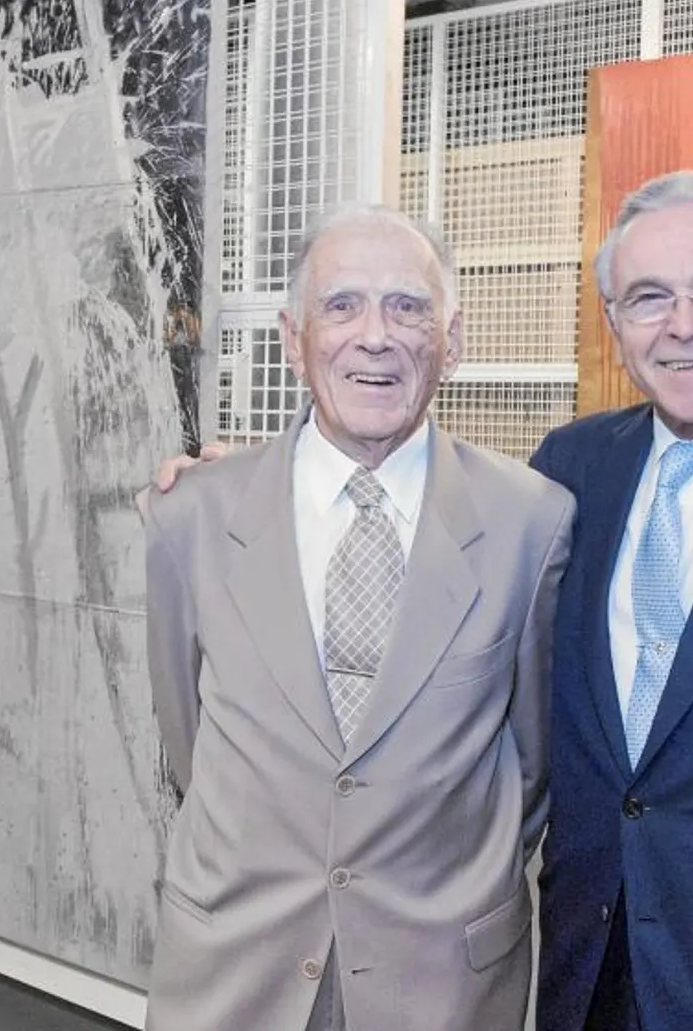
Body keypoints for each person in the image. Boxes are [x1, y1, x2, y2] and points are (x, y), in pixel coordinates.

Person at [154, 170, 693, 1030]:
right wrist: (241, 482)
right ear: (616, 325)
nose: (684, 324)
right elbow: (196, 737)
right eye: (648, 297)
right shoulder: (574, 474)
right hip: (590, 965)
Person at [136, 202, 575, 1031]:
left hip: (440, 978)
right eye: (340, 306)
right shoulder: (191, 515)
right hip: (236, 966)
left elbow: (529, 767)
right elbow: (187, 739)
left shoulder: (533, 521)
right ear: (292, 339)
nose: (375, 335)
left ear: (454, 339)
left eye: (408, 307)